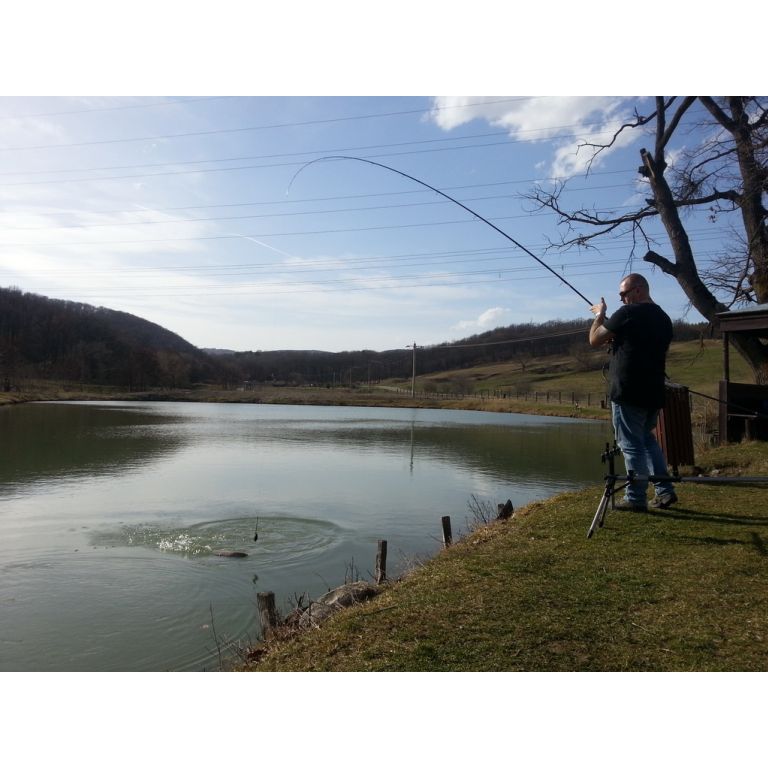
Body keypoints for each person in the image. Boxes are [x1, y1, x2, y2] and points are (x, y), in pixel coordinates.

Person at [589, 273, 677, 511]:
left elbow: (595, 339)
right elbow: (641, 344)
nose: (621, 299)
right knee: (647, 440)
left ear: (638, 290)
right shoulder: (664, 318)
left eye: (623, 294)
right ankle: (665, 491)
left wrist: (599, 315)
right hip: (654, 390)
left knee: (631, 445)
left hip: (628, 390)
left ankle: (636, 498)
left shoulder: (627, 313)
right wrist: (618, 339)